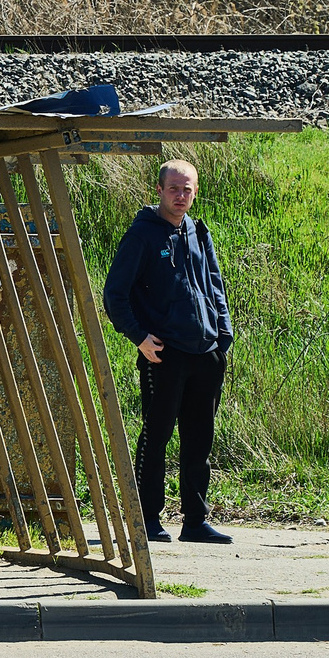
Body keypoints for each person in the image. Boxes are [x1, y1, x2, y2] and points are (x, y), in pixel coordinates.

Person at [102, 159, 234, 545]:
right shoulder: (142, 235)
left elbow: (215, 285)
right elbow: (115, 294)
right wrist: (140, 337)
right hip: (163, 354)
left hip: (206, 352)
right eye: (174, 189)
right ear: (158, 190)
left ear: (195, 191)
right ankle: (146, 519)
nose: (181, 196)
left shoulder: (198, 231)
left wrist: (222, 334)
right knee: (156, 435)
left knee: (200, 438)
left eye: (187, 189)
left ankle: (195, 521)